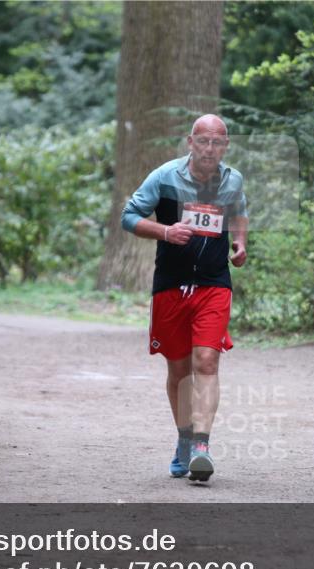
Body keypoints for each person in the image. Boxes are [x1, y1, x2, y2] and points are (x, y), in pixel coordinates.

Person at [120, 114, 248, 483]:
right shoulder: (164, 177)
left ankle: (201, 446)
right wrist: (165, 231)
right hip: (171, 285)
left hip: (214, 284)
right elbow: (129, 217)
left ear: (225, 146)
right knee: (179, 371)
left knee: (207, 360)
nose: (209, 149)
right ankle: (185, 439)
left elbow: (239, 213)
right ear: (190, 143)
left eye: (217, 142)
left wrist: (240, 243)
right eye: (203, 141)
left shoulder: (233, 180)